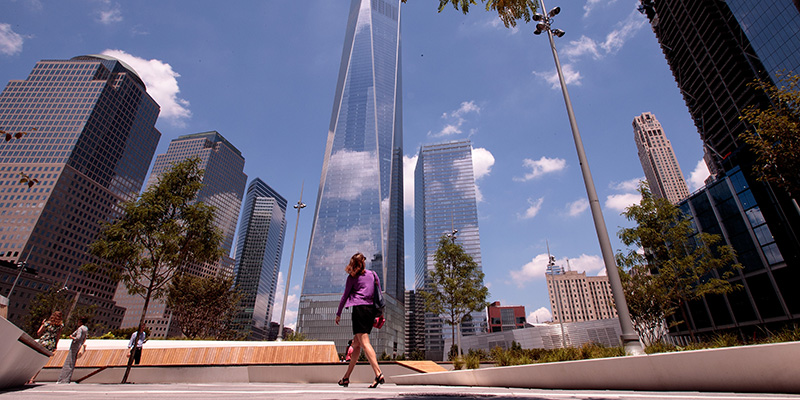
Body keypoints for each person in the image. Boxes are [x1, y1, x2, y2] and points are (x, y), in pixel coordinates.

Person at [335, 252, 384, 388]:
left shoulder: (352, 277)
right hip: (371, 311)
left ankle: (378, 373)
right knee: (356, 345)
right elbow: (379, 294)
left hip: (359, 310)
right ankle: (346, 378)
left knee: (364, 342)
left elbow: (345, 296)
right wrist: (380, 314)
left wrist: (338, 313)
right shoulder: (373, 275)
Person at [28, 311, 64, 384]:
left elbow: (38, 332)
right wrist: (55, 345)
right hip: (50, 344)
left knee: (34, 360)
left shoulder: (47, 323)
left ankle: (27, 377)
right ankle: (32, 378)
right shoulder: (60, 326)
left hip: (42, 342)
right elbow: (58, 337)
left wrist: (42, 324)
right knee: (41, 362)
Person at [57, 316, 89, 384]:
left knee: (69, 362)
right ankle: (67, 378)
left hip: (75, 345)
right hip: (80, 345)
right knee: (73, 362)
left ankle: (63, 379)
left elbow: (78, 337)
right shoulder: (86, 328)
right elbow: (84, 337)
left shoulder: (80, 328)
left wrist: (72, 337)